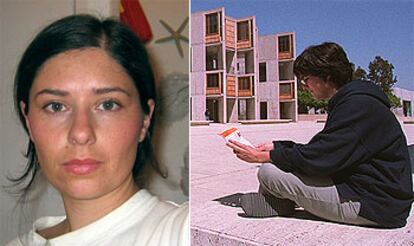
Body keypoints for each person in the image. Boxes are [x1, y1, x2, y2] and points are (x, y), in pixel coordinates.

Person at [6, 14, 188, 245]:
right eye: (56, 106)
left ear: (145, 119)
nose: (81, 133)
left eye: (108, 105)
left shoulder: (185, 232)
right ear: (29, 121)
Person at [227, 42, 413, 228]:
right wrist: (278, 147)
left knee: (269, 173)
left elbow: (321, 159)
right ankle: (280, 201)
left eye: (306, 79)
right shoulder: (358, 101)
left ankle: (281, 202)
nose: (304, 86)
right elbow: (325, 149)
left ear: (326, 76)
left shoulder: (356, 107)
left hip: (374, 205)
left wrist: (266, 156)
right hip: (371, 193)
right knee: (278, 165)